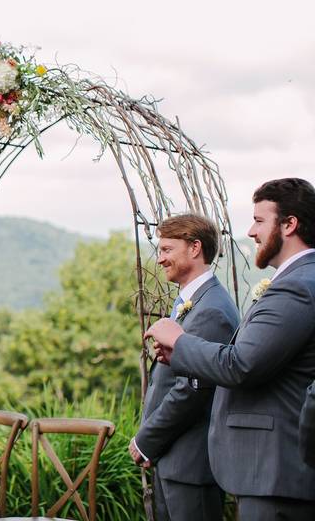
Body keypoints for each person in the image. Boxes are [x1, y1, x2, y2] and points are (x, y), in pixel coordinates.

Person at [147, 178, 315, 520]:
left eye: (259, 220)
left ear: (289, 224)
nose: (251, 232)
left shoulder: (297, 286)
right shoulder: (296, 281)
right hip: (269, 472)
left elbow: (241, 364)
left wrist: (179, 341)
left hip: (276, 471)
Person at [129, 215, 237, 520]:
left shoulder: (212, 309)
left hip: (191, 464)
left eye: (167, 249)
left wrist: (147, 440)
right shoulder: (191, 302)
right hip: (174, 460)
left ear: (194, 248)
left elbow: (193, 389)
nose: (160, 259)